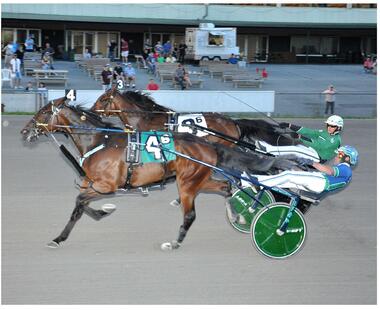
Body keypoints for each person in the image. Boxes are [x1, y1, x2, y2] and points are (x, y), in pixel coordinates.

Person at [250, 145, 358, 194]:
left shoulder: (346, 170)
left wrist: (310, 162)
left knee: (288, 175)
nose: (336, 156)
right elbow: (320, 174)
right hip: (320, 182)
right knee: (286, 180)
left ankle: (258, 183)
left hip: (321, 182)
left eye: (339, 155)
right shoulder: (343, 170)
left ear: (347, 158)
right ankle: (246, 181)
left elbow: (329, 171)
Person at [256, 115, 344, 163]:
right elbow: (309, 132)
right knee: (296, 145)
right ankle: (270, 149)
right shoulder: (324, 132)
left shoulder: (335, 140)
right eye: (328, 125)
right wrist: (289, 125)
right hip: (313, 151)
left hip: (318, 157)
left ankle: (268, 150)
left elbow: (318, 145)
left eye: (332, 126)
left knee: (295, 149)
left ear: (338, 128)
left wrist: (300, 137)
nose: (329, 127)